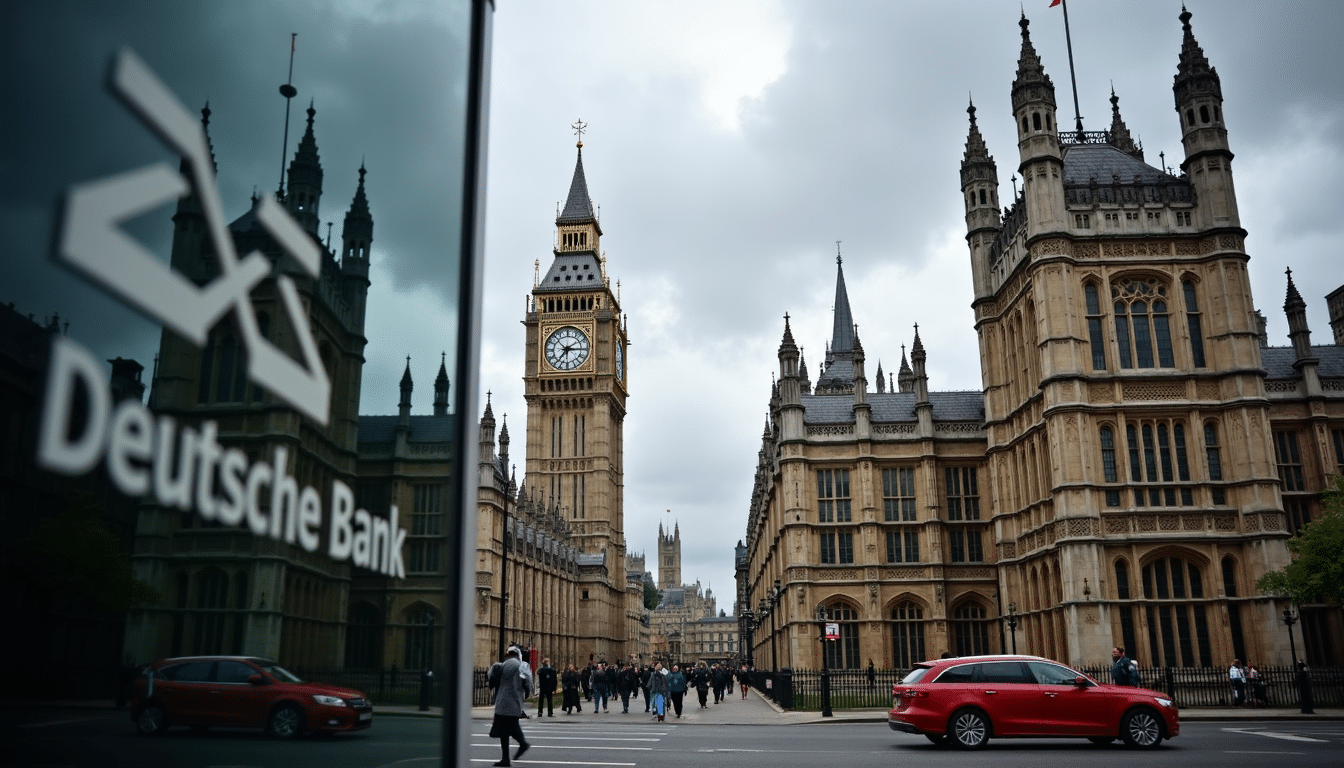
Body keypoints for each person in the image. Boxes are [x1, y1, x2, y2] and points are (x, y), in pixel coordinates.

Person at [488, 646, 532, 767]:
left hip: (503, 701)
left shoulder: (502, 665)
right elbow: (526, 682)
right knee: (511, 726)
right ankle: (506, 758)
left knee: (505, 730)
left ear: (508, 654)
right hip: (515, 701)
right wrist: (526, 693)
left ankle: (519, 746)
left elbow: (491, 682)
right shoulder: (521, 665)